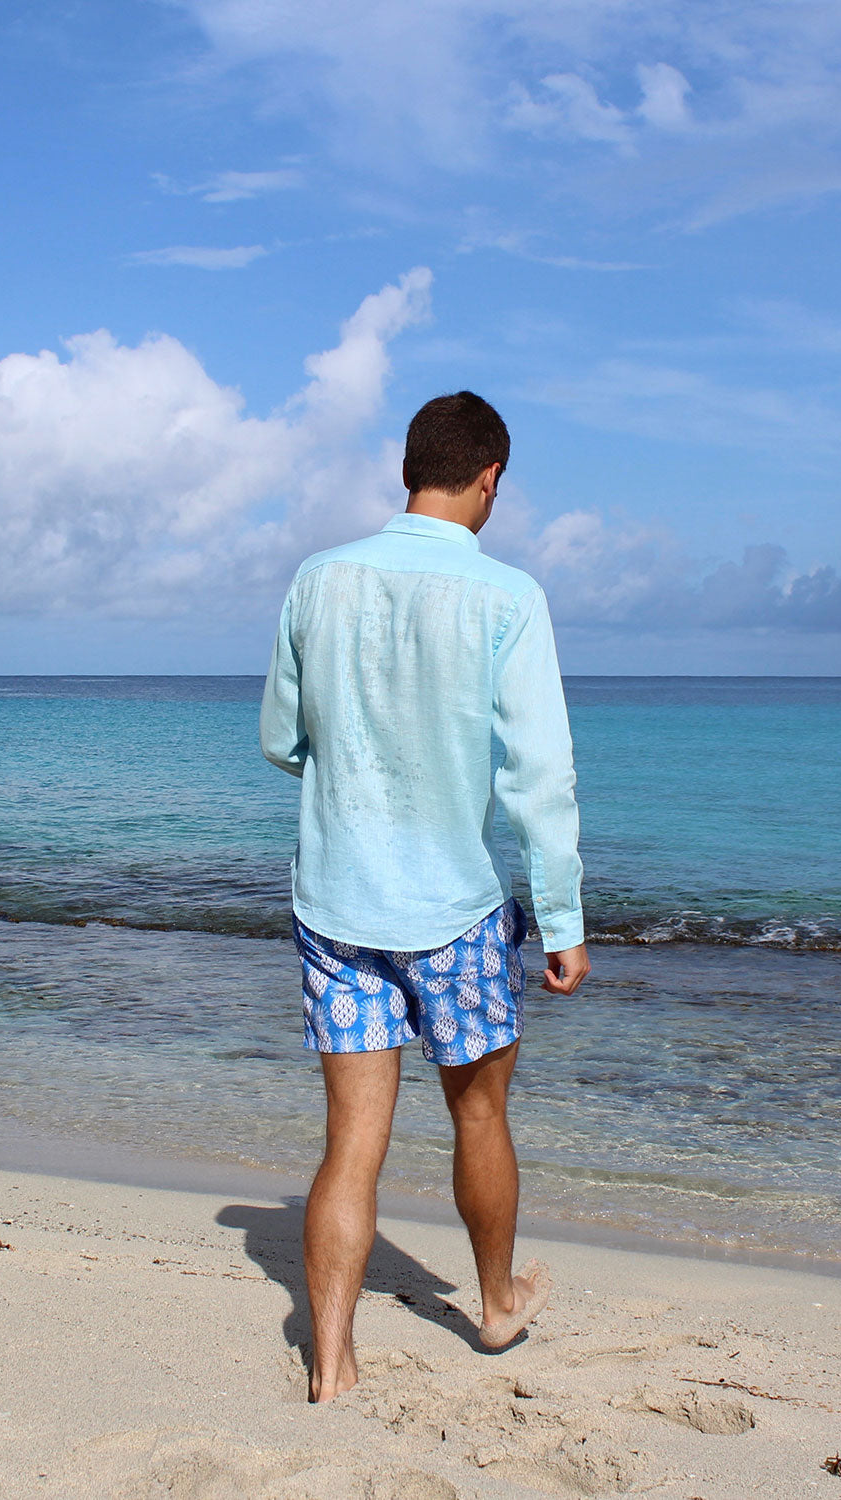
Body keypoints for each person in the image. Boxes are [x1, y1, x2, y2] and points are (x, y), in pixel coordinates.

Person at [260, 390, 589, 1403]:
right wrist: (565, 920)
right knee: (479, 1115)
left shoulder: (318, 580)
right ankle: (493, 1307)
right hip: (453, 909)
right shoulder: (508, 596)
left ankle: (333, 1365)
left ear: (409, 469)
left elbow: (281, 739)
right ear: (489, 478)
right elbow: (542, 777)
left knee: (351, 1141)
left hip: (337, 907)